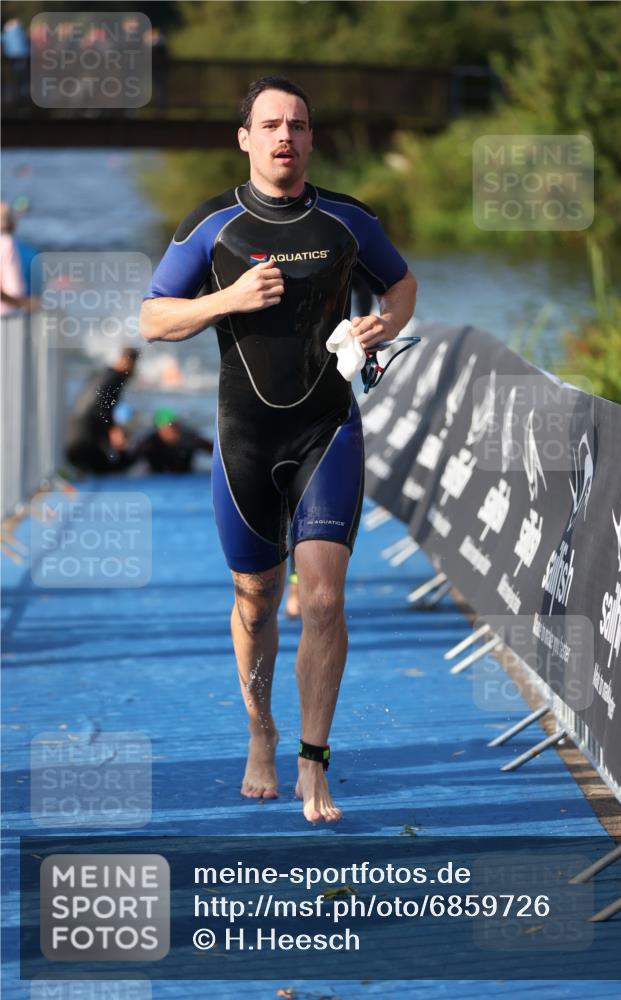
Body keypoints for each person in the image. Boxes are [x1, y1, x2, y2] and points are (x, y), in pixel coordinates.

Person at [140, 76, 417, 822]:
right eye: (269, 124)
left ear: (310, 138)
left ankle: (312, 759)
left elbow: (401, 285)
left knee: (323, 598)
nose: (283, 136)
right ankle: (260, 731)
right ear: (246, 138)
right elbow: (153, 319)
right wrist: (225, 301)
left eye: (296, 124)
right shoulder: (214, 225)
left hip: (328, 427)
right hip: (244, 436)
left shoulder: (347, 221)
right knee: (256, 599)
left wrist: (380, 328)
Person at [65, 347, 139, 475]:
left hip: (74, 441)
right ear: (129, 363)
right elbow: (101, 408)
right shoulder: (116, 377)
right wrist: (113, 430)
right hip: (85, 443)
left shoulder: (103, 375)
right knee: (116, 467)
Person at [134, 407, 213, 473]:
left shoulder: (189, 439)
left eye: (176, 425)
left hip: (184, 478)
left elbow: (216, 451)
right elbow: (129, 460)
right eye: (169, 426)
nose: (173, 430)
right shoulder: (150, 443)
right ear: (159, 429)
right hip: (157, 480)